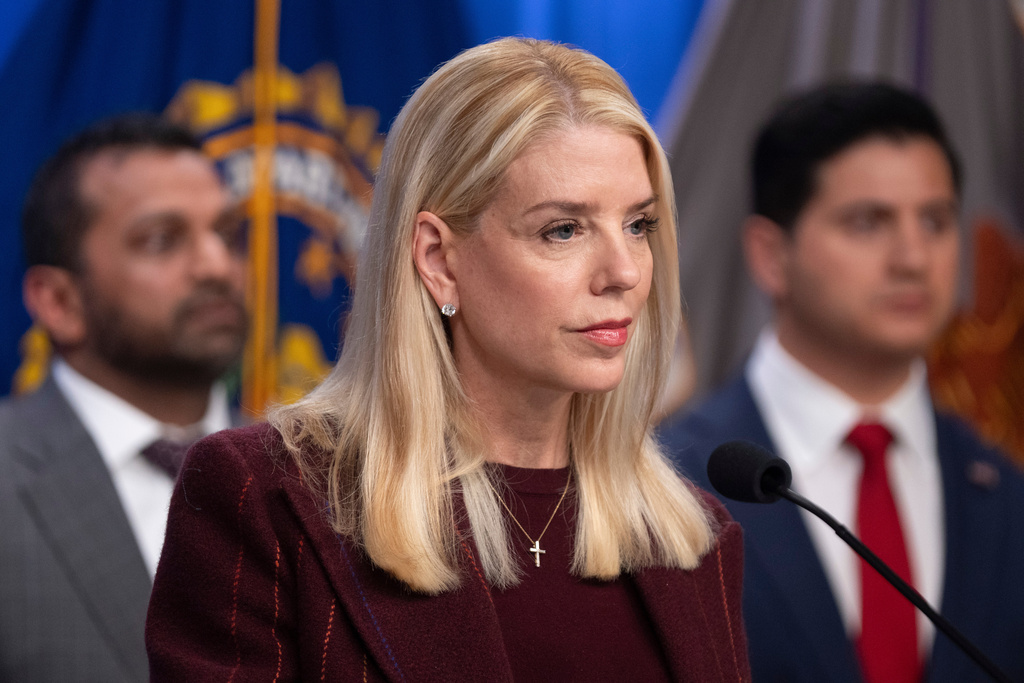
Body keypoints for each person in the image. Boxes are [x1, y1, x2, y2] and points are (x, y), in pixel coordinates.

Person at [145, 38, 750, 682]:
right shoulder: (268, 499)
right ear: (437, 259)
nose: (624, 272)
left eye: (639, 225)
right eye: (564, 230)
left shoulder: (694, 537)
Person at [661, 82, 1024, 683]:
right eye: (868, 222)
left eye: (935, 221)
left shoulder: (1002, 489)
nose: (913, 257)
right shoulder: (664, 486)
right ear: (770, 255)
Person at [0, 113, 248, 682]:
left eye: (228, 235)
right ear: (58, 301)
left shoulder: (317, 478)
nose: (217, 266)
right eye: (161, 240)